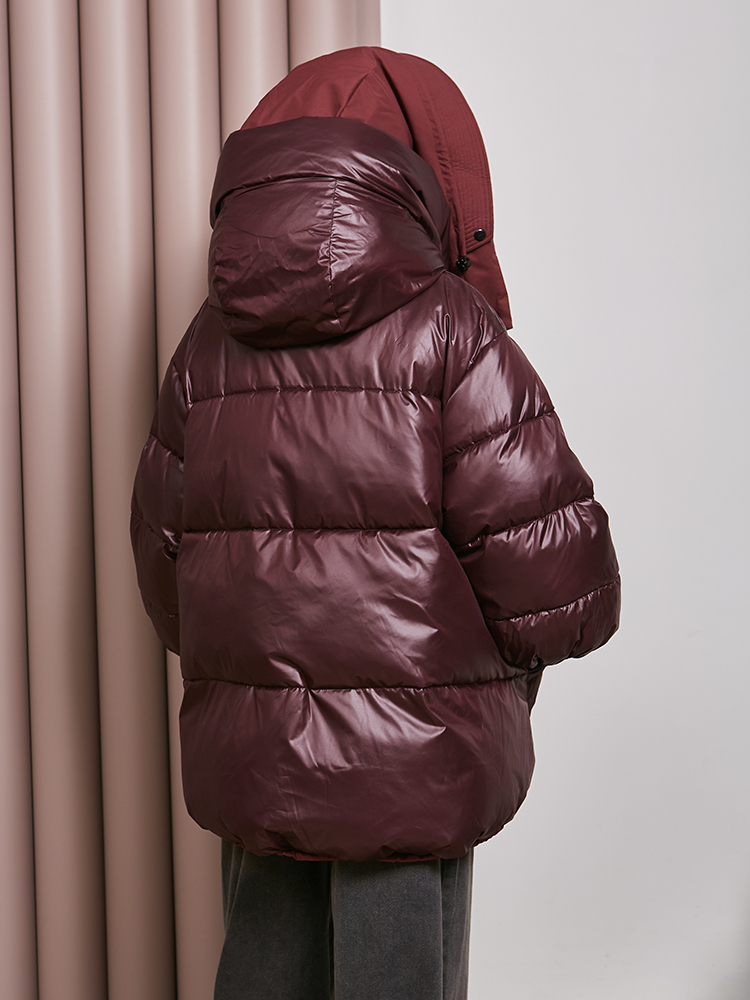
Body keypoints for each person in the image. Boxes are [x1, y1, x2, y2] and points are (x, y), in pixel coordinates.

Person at [131, 46, 620, 1000]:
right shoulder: (448, 330)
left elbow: (163, 558)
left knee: (263, 969)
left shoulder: (206, 347)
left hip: (259, 753)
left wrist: (250, 672)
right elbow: (556, 581)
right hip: (412, 757)